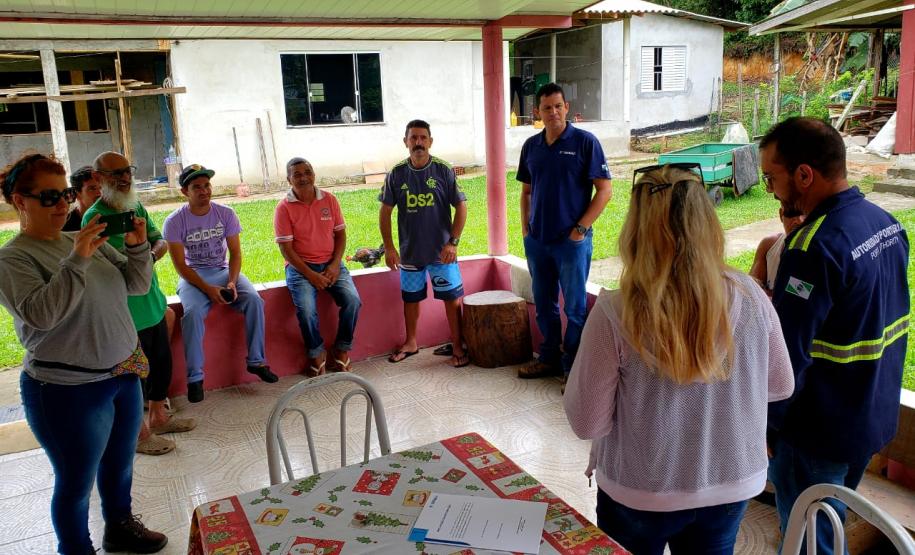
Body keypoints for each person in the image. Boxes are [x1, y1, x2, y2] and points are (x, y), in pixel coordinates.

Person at [564, 164, 794, 555]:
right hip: (731, 483)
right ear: (708, 222)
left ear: (635, 228)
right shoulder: (752, 297)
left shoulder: (616, 312)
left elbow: (587, 422)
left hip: (641, 490)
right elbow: (780, 384)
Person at [0, 153, 168, 554]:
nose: (62, 204)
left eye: (67, 194)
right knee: (76, 482)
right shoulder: (14, 258)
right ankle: (76, 548)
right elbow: (42, 314)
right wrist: (77, 258)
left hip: (121, 374)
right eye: (49, 196)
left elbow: (136, 285)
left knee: (120, 463)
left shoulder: (78, 239)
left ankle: (120, 527)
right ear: (20, 201)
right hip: (66, 388)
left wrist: (137, 246)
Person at [760, 117, 910, 555]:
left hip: (819, 429)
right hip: (871, 416)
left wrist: (769, 427)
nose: (771, 190)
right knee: (831, 517)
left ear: (804, 175)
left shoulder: (811, 248)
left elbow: (786, 355)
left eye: (772, 177)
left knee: (812, 538)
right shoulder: (885, 223)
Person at [84, 151, 195, 456]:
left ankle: (158, 417)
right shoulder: (94, 218)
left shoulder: (135, 205)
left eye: (127, 171)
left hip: (153, 304)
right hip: (124, 315)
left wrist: (146, 256)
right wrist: (142, 258)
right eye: (114, 173)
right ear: (97, 178)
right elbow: (115, 267)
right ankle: (139, 436)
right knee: (131, 379)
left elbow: (159, 241)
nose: (124, 178)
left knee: (161, 365)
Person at [517, 83, 612, 380]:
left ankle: (573, 368)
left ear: (566, 107)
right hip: (539, 241)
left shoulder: (585, 142)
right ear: (538, 113)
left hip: (572, 242)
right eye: (547, 107)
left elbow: (605, 191)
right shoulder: (531, 147)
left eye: (559, 106)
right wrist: (526, 230)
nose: (554, 112)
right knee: (544, 304)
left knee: (575, 308)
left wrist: (580, 229)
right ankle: (548, 359)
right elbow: (526, 192)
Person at [163, 164, 276, 403]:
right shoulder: (174, 221)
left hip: (223, 271)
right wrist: (207, 289)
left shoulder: (225, 214)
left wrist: (233, 283)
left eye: (207, 186)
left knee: (255, 300)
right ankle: (195, 378)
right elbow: (180, 267)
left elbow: (235, 254)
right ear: (185, 192)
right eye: (197, 187)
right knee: (192, 314)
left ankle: (256, 361)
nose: (204, 191)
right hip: (193, 277)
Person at [379, 119, 469, 368]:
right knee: (411, 299)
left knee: (451, 299)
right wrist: (389, 247)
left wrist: (453, 242)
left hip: (443, 253)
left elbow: (461, 205)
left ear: (430, 141)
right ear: (406, 141)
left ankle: (458, 344)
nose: (418, 143)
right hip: (410, 253)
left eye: (422, 138)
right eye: (413, 138)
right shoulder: (396, 174)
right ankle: (411, 342)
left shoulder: (443, 169)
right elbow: (385, 212)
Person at [275, 157, 362, 375]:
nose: (304, 177)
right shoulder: (284, 208)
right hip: (300, 269)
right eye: (297, 174)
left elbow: (340, 235)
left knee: (352, 301)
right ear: (289, 179)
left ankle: (341, 350)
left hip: (332, 263)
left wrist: (334, 265)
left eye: (308, 172)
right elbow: (286, 250)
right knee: (306, 311)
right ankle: (316, 354)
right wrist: (311, 275)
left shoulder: (329, 200)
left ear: (314, 174)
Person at [749, 207, 805, 293]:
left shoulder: (820, 253)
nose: (799, 221)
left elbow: (805, 296)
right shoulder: (769, 245)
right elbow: (752, 289)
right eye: (791, 214)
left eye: (805, 214)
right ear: (781, 215)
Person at [62, 165, 102, 232]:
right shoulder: (66, 226)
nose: (100, 193)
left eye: (101, 187)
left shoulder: (109, 216)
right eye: (92, 188)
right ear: (77, 194)